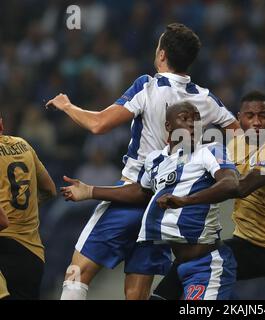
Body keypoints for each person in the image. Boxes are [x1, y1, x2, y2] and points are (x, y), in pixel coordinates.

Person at [46, 23, 239, 300]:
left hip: (131, 193)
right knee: (137, 295)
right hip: (162, 208)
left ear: (161, 54)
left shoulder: (148, 86)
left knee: (77, 273)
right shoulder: (206, 99)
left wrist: (67, 106)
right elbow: (245, 138)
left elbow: (99, 124)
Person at [153, 91, 265, 300]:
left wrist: (186, 200)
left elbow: (240, 188)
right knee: (195, 258)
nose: (256, 122)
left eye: (262, 116)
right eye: (250, 116)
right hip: (246, 242)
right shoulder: (234, 145)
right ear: (240, 118)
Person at [62, 102, 239, 299]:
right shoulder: (156, 159)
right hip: (180, 267)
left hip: (207, 263)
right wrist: (90, 191)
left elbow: (231, 184)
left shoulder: (211, 150)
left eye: (196, 119)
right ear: (168, 126)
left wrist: (186, 201)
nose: (192, 124)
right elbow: (141, 192)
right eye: (185, 118)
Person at [0, 111, 57, 299]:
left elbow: (2, 221)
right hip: (33, 254)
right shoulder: (23, 145)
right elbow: (50, 189)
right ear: (1, 125)